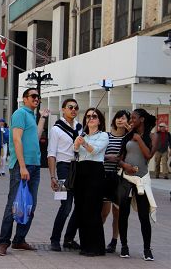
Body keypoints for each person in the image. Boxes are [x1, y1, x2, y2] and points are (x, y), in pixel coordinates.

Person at [0, 88, 49, 256]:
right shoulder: (20, 114)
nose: (36, 99)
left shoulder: (31, 116)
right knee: (14, 204)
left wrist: (43, 118)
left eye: (38, 97)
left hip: (34, 166)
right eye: (33, 96)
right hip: (22, 166)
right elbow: (17, 139)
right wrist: (23, 166)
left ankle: (19, 240)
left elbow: (35, 136)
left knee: (29, 205)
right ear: (24, 99)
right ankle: (3, 242)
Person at [117, 108, 157, 261]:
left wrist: (139, 139)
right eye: (130, 118)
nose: (131, 120)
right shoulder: (127, 136)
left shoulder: (153, 137)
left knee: (143, 215)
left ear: (142, 119)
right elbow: (119, 158)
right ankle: (124, 246)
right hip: (126, 179)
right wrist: (125, 165)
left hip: (142, 180)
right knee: (123, 213)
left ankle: (147, 249)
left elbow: (148, 155)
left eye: (133, 118)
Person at [73, 108, 108, 257]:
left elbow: (95, 151)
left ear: (99, 120)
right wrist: (77, 143)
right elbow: (74, 151)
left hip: (95, 172)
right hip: (81, 170)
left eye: (94, 116)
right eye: (88, 116)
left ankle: (96, 246)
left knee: (93, 209)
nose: (91, 118)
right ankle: (85, 245)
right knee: (81, 208)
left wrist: (84, 143)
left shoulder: (104, 135)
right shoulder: (82, 135)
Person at [47, 99, 81, 252]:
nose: (73, 110)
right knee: (65, 206)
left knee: (79, 206)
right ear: (63, 110)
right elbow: (51, 154)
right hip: (63, 168)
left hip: (79, 167)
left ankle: (69, 238)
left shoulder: (81, 128)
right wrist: (52, 176)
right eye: (70, 107)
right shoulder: (56, 129)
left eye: (76, 108)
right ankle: (55, 239)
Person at [102, 110, 130, 254]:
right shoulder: (106, 136)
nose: (120, 120)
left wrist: (120, 160)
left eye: (123, 118)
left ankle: (114, 241)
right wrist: (109, 157)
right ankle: (98, 238)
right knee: (104, 211)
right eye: (118, 118)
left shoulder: (129, 138)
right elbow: (99, 152)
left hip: (121, 179)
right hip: (106, 176)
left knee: (117, 213)